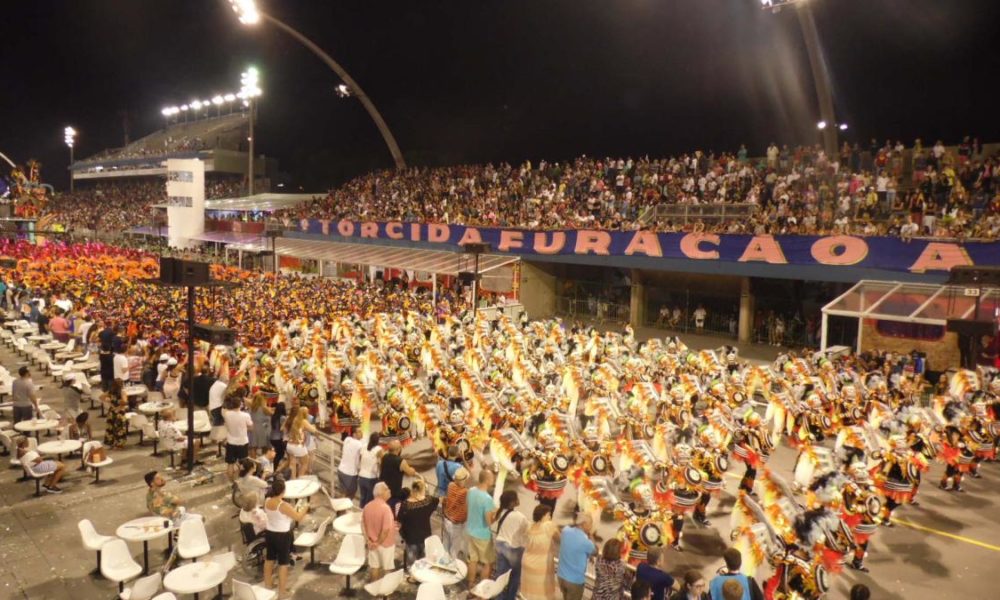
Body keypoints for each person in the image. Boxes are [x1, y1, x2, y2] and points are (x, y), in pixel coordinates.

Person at [263, 478, 309, 599]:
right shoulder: (283, 505)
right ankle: (282, 593)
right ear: (283, 491)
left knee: (269, 559)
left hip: (270, 533)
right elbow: (298, 517)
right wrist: (306, 508)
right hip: (282, 536)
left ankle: (268, 585)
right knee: (283, 563)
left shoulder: (267, 500)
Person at [494, 489, 529, 600]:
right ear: (511, 503)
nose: (518, 500)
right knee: (515, 576)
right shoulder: (520, 516)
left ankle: (499, 596)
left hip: (499, 544)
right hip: (513, 548)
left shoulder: (500, 512)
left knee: (501, 575)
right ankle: (510, 597)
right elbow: (527, 532)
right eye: (516, 499)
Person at [520, 503, 560, 600]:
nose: (550, 517)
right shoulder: (548, 526)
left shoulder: (530, 526)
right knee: (542, 593)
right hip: (541, 566)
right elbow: (559, 539)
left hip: (527, 562)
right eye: (548, 515)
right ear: (543, 516)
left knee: (528, 593)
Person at [397, 479, 439, 568]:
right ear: (423, 489)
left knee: (412, 566)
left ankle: (411, 579)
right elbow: (439, 500)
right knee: (424, 563)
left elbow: (399, 521)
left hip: (411, 538)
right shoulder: (429, 501)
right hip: (425, 537)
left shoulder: (405, 505)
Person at [466, 469, 497, 587]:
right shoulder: (487, 499)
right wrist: (496, 515)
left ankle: (470, 584)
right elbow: (489, 522)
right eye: (492, 477)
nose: (493, 479)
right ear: (488, 480)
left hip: (470, 530)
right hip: (483, 535)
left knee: (472, 560)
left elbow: (468, 508)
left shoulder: (471, 491)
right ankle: (482, 588)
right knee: (487, 563)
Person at [557, 514, 597, 600]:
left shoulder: (565, 530)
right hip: (574, 581)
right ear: (583, 524)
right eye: (590, 524)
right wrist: (591, 535)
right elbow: (595, 551)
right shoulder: (585, 542)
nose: (591, 526)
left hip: (561, 575)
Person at [362, 482, 396, 582]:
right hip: (385, 544)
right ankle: (386, 594)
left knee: (374, 567)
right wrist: (378, 543)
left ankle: (375, 592)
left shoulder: (367, 506)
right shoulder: (386, 509)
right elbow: (385, 530)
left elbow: (363, 525)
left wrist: (368, 540)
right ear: (381, 493)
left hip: (372, 543)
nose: (389, 491)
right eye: (387, 489)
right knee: (387, 569)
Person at [379, 439, 419, 507]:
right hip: (394, 492)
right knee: (407, 491)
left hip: (383, 489)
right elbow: (410, 472)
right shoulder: (400, 461)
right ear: (398, 449)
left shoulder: (384, 457)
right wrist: (413, 470)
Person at [442, 466, 470, 558]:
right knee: (454, 548)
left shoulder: (451, 485)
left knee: (445, 545)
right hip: (456, 524)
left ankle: (444, 562)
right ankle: (453, 567)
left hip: (447, 519)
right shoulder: (465, 492)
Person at [223, 397, 254, 480]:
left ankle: (231, 482)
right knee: (243, 464)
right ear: (240, 404)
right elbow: (251, 427)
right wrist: (243, 428)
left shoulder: (227, 414)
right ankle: (240, 482)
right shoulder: (245, 415)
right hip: (242, 442)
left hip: (231, 442)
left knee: (230, 464)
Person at [337, 428, 364, 499]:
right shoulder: (359, 444)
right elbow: (362, 457)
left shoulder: (347, 439)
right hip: (350, 474)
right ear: (354, 434)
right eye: (359, 431)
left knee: (342, 493)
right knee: (350, 495)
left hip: (341, 470)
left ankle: (341, 509)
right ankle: (344, 509)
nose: (361, 433)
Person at [358, 432, 383, 507]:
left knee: (362, 499)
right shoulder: (379, 449)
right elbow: (383, 462)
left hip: (361, 476)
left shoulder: (364, 446)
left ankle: (361, 515)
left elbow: (360, 458)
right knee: (369, 501)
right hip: (371, 478)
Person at [103, 379, 128, 449]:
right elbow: (125, 402)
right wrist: (120, 406)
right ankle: (119, 444)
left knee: (111, 428)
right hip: (119, 412)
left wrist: (109, 401)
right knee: (120, 428)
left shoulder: (110, 392)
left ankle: (111, 443)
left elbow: (101, 396)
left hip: (111, 411)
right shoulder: (122, 392)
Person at [247, 392, 273, 459]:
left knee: (253, 447)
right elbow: (271, 415)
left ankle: (254, 463)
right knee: (265, 447)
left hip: (253, 429)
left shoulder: (251, 408)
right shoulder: (264, 408)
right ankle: (264, 462)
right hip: (263, 429)